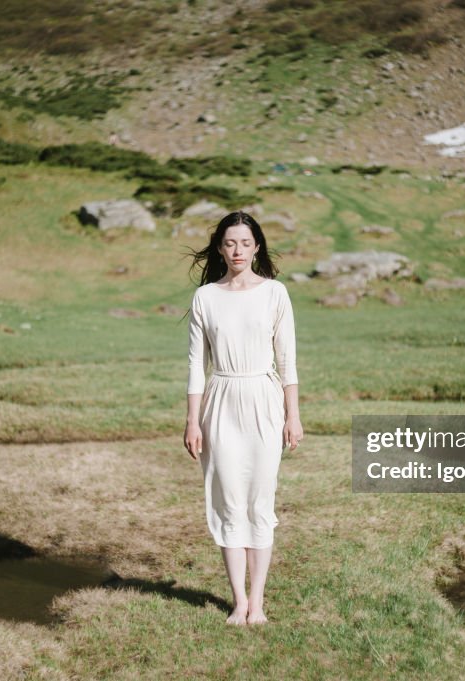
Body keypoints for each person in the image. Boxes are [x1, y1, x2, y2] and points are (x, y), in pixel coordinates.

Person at [183, 210, 303, 626]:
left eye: (246, 243)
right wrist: (191, 420)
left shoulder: (275, 293)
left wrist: (293, 416)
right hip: (221, 401)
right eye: (230, 243)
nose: (237, 251)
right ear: (220, 246)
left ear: (257, 248)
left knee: (259, 502)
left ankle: (259, 602)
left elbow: (288, 361)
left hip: (264, 401)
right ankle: (238, 602)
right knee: (228, 501)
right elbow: (197, 365)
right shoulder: (205, 298)